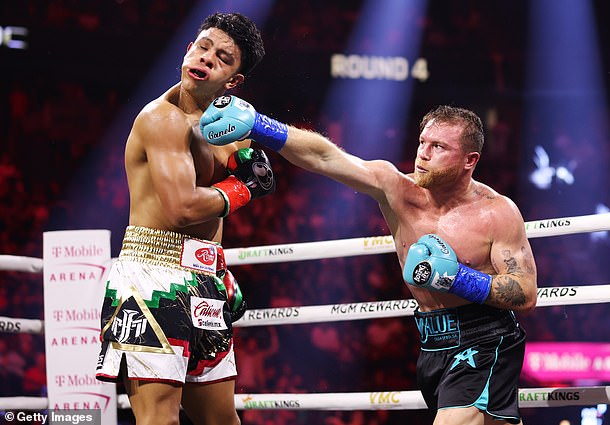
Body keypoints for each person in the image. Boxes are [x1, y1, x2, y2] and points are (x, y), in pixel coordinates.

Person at [200, 96, 538, 425]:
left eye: (439, 147)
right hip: (431, 343)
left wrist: (457, 278)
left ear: (470, 160)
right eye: (423, 142)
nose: (423, 154)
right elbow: (325, 158)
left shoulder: (496, 212)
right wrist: (261, 126)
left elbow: (524, 292)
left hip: (485, 338)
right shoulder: (397, 190)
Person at [95, 14, 274, 425]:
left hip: (205, 279)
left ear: (234, 80)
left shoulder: (231, 127)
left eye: (223, 58)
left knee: (222, 421)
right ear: (187, 49)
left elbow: (223, 204)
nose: (207, 58)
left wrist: (216, 271)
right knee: (159, 419)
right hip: (151, 279)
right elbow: (183, 208)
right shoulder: (161, 119)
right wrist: (244, 187)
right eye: (203, 46)